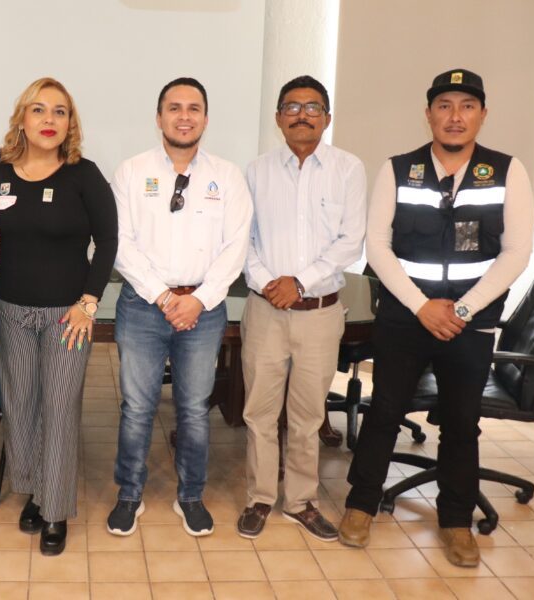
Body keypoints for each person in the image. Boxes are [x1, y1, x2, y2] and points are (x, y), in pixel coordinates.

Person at [338, 69, 534, 567]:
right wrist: (421, 306)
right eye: (444, 106)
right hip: (406, 317)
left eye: (466, 106)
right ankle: (361, 505)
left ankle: (456, 522)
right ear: (428, 114)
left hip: (470, 323)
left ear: (482, 115)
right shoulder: (397, 169)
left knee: (462, 423)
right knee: (384, 412)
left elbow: (516, 252)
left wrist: (462, 310)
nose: (455, 116)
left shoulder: (507, 171)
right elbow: (377, 246)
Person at [0, 77, 118, 556]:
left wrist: (88, 303)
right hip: (10, 310)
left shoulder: (84, 175)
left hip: (67, 316)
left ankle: (55, 510)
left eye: (60, 111)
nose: (49, 120)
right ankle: (36, 491)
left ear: (69, 123)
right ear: (22, 118)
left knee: (58, 410)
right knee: (21, 407)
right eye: (38, 109)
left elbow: (108, 241)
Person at [108, 77, 252, 538]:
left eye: (193, 108)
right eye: (174, 108)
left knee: (192, 409)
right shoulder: (131, 172)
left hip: (203, 310)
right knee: (137, 407)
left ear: (205, 119)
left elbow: (236, 247)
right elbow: (119, 243)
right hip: (143, 306)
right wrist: (165, 297)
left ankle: (191, 495)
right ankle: (129, 494)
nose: (184, 116)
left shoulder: (227, 176)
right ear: (159, 117)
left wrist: (199, 300)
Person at [238, 76, 366, 542]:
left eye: (313, 107)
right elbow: (243, 240)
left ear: (327, 117)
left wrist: (299, 282)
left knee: (308, 416)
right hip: (265, 310)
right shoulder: (256, 171)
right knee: (259, 411)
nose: (302, 115)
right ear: (278, 118)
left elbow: (351, 241)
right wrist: (267, 283)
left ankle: (300, 501)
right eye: (292, 107)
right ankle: (259, 497)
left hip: (320, 313)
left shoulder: (348, 169)